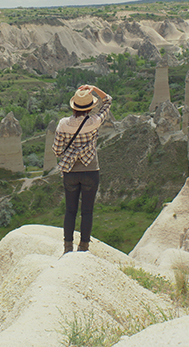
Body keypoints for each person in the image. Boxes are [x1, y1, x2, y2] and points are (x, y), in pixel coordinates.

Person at [53, 84, 112, 253]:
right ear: (90, 107)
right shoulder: (95, 121)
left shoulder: (63, 124)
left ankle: (67, 247)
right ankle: (84, 246)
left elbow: (57, 150)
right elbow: (108, 100)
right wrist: (93, 88)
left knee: (70, 210)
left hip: (70, 172)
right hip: (91, 170)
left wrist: (70, 153)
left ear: (74, 107)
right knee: (87, 211)